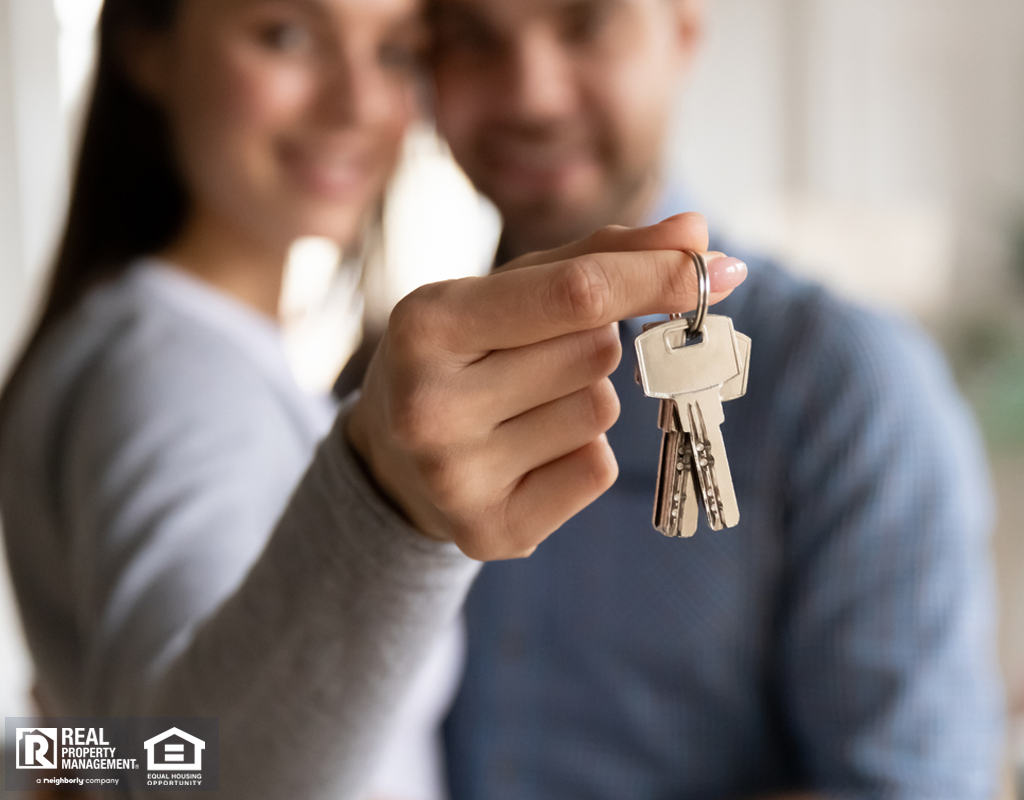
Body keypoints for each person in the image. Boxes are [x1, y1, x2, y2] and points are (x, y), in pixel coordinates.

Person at [0, 0, 745, 797]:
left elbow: (144, 749)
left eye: (394, 51)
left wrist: (45, 754)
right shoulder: (167, 374)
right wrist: (386, 511)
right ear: (147, 48)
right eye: (286, 35)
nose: (358, 103)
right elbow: (188, 763)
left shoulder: (182, 344)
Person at [425, 0, 1006, 797]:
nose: (532, 95)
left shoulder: (846, 387)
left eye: (586, 23)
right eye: (470, 37)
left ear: (684, 33)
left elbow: (915, 781)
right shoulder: (387, 388)